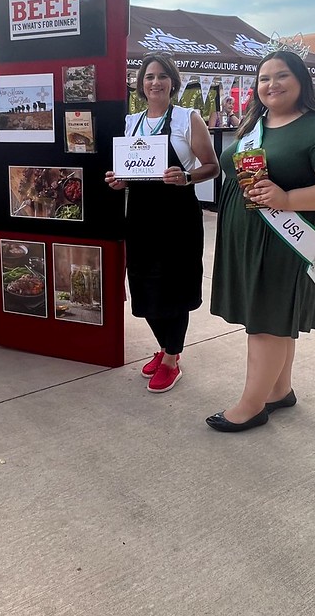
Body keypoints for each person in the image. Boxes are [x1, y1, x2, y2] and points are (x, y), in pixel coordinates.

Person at [208, 51, 315, 432]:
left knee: (266, 322)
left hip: (287, 240)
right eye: (264, 78)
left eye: (281, 76)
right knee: (274, 318)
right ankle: (279, 391)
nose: (270, 85)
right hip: (249, 238)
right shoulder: (256, 121)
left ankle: (250, 406)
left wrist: (288, 199)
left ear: (301, 81)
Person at [105, 53, 220, 392]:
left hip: (177, 216)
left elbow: (211, 166)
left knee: (173, 286)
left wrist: (186, 176)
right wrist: (120, 180)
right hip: (140, 214)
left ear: (173, 82)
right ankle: (166, 346)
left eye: (161, 76)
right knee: (144, 284)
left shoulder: (188, 118)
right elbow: (130, 169)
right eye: (149, 77)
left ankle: (171, 357)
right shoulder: (132, 123)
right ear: (141, 84)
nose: (155, 82)